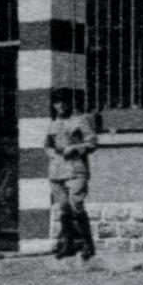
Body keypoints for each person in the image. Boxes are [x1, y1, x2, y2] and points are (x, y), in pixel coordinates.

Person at [46, 95, 98, 260]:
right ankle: (68, 245)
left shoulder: (80, 121)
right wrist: (53, 155)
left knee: (76, 204)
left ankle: (88, 244)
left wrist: (75, 148)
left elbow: (92, 143)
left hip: (76, 169)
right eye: (57, 102)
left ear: (69, 103)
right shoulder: (53, 124)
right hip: (57, 171)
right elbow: (47, 145)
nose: (60, 105)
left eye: (64, 102)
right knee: (63, 207)